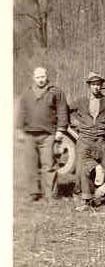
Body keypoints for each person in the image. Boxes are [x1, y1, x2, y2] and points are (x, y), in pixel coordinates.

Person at [16, 67, 69, 203]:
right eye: (38, 77)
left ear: (47, 77)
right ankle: (33, 193)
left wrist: (60, 130)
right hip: (29, 135)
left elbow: (63, 111)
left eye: (43, 77)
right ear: (34, 78)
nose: (40, 79)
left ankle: (50, 195)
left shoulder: (55, 91)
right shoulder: (27, 92)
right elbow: (22, 111)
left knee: (48, 165)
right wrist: (19, 129)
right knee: (31, 165)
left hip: (48, 135)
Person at [70, 72, 105, 197]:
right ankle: (78, 193)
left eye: (98, 84)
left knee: (103, 166)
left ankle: (99, 192)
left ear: (101, 86)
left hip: (100, 139)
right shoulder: (81, 101)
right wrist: (74, 123)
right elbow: (67, 110)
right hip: (84, 139)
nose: (96, 87)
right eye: (93, 84)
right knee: (81, 167)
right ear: (89, 86)